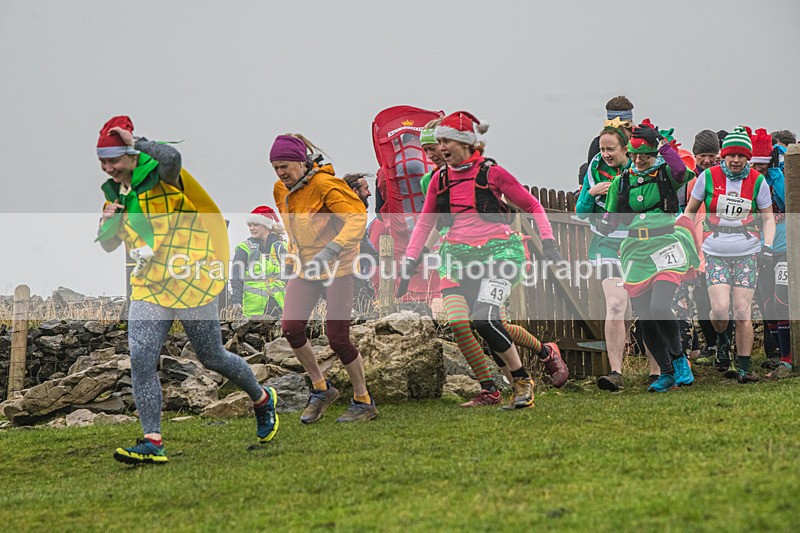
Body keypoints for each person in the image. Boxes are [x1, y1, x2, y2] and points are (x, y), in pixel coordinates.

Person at [95, 116, 278, 464]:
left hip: (192, 278)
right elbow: (108, 245)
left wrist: (140, 140)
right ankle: (152, 440)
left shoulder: (162, 174)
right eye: (102, 161)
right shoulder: (119, 190)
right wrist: (109, 222)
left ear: (132, 155)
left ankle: (262, 398)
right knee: (141, 357)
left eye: (113, 159)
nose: (107, 168)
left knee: (212, 357)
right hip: (150, 284)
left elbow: (173, 159)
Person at [403, 111, 568, 410]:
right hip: (456, 259)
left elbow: (532, 205)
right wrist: (411, 259)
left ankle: (522, 381)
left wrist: (549, 242)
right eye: (436, 143)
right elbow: (426, 223)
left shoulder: (493, 174)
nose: (440, 149)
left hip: (499, 255)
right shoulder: (438, 179)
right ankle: (494, 389)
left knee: (486, 319)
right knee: (463, 322)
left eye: (445, 141)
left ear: (466, 143)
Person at [271, 134, 378, 423]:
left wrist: (330, 249)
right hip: (305, 269)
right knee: (291, 328)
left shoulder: (326, 185)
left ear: (301, 161)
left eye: (284, 166)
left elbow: (356, 218)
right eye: (275, 167)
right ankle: (321, 388)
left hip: (338, 268)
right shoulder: (280, 190)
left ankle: (363, 400)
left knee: (337, 337)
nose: (281, 173)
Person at [598, 120, 699, 392]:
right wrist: (604, 224)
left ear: (653, 153)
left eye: (645, 154)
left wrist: (662, 143)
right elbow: (611, 217)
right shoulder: (622, 182)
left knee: (659, 307)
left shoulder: (666, 173)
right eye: (635, 155)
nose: (640, 160)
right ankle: (665, 373)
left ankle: (678, 358)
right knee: (644, 317)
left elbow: (682, 169)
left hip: (666, 245)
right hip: (635, 252)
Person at [683, 126, 776, 383]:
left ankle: (744, 368)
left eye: (741, 156)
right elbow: (690, 212)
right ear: (723, 156)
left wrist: (767, 247)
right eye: (731, 155)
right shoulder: (708, 177)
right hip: (714, 249)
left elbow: (768, 219)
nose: (736, 160)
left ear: (748, 158)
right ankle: (722, 339)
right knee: (720, 310)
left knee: (743, 310)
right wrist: (686, 241)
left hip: (747, 249)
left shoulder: (757, 181)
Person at [577, 118, 644, 391]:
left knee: (630, 308)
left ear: (625, 149)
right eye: (602, 149)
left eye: (610, 149)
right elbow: (582, 212)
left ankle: (653, 365)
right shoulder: (594, 171)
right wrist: (591, 193)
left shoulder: (640, 171)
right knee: (615, 304)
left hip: (637, 245)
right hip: (605, 245)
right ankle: (616, 372)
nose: (605, 154)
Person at [749, 129, 792, 378]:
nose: (759, 169)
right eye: (756, 164)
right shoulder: (749, 181)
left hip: (783, 248)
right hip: (760, 249)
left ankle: (787, 358)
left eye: (763, 165)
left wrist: (775, 170)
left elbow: (787, 201)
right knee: (767, 306)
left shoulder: (779, 177)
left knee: (781, 302)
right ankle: (777, 356)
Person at [230, 206, 286, 319]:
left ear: (267, 226)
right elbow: (237, 278)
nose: (252, 228)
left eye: (256, 225)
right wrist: (236, 302)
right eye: (250, 225)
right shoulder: (244, 248)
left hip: (279, 304)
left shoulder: (281, 247)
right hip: (253, 309)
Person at [343, 172, 380, 312]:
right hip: (349, 275)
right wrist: (381, 258)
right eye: (366, 188)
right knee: (364, 314)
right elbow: (361, 242)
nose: (369, 193)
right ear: (355, 191)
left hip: (353, 273)